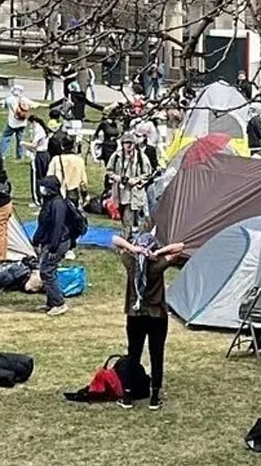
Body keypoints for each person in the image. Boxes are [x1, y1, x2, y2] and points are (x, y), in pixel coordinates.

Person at [112, 228, 185, 410]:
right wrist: (158, 252)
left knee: (133, 354)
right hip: (157, 316)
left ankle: (127, 396)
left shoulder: (131, 263)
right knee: (156, 353)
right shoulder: (158, 264)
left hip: (135, 316)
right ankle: (154, 396)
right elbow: (180, 248)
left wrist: (133, 249)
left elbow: (115, 240)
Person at [31, 176, 71, 317]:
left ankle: (59, 303)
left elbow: (58, 227)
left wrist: (54, 247)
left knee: (46, 271)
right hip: (49, 242)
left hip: (58, 243)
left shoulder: (58, 204)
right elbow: (43, 225)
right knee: (49, 271)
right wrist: (36, 241)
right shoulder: (48, 202)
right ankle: (51, 301)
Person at [106, 135, 154, 234]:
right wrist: (118, 178)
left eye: (130, 143)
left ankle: (126, 240)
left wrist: (136, 180)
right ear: (122, 144)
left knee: (129, 217)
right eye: (126, 143)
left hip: (134, 193)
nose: (128, 145)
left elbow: (147, 173)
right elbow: (109, 171)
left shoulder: (141, 157)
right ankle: (129, 237)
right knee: (124, 217)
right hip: (120, 193)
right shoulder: (116, 156)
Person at [50, 133, 88, 207]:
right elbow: (83, 181)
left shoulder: (56, 160)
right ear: (73, 147)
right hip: (73, 194)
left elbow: (49, 177)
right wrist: (85, 195)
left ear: (62, 146)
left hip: (58, 194)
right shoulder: (79, 160)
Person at [23, 114, 51, 205]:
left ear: (33, 122)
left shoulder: (38, 129)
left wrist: (23, 143)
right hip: (45, 154)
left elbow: (34, 145)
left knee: (37, 177)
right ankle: (43, 197)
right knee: (43, 176)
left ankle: (37, 199)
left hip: (39, 155)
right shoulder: (42, 129)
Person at [1, 85, 32, 159]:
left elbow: (4, 106)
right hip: (22, 123)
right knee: (20, 140)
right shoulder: (24, 99)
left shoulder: (9, 99)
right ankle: (20, 155)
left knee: (6, 138)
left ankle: (2, 154)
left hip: (12, 122)